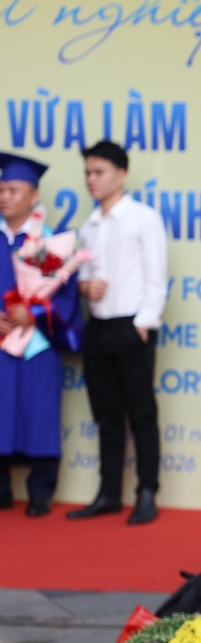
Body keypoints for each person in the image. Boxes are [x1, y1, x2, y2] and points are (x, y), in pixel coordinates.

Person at [66, 140, 168, 525]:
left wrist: (142, 324)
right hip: (98, 327)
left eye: (99, 172)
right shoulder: (90, 226)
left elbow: (156, 277)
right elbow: (83, 276)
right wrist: (83, 286)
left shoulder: (143, 218)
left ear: (121, 174)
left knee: (141, 414)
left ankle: (147, 492)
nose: (91, 179)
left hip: (131, 326)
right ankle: (108, 493)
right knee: (106, 416)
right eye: (87, 173)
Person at [0, 153, 81, 517]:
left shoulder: (48, 244)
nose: (5, 197)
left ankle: (41, 492)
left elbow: (65, 296)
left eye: (13, 190)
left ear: (34, 196)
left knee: (40, 412)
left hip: (38, 344)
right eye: (1, 190)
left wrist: (33, 313)